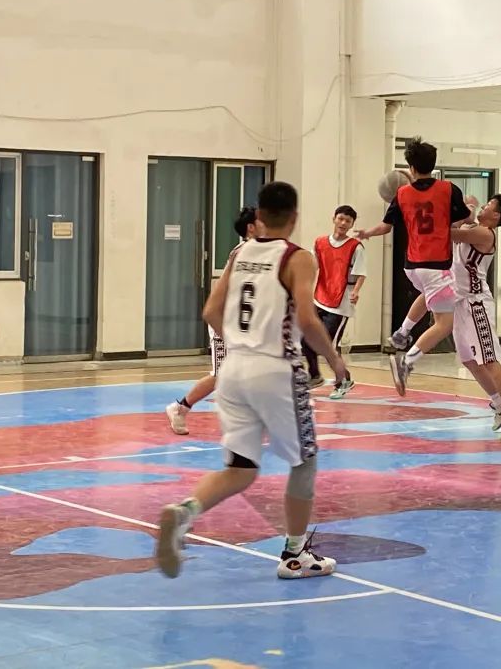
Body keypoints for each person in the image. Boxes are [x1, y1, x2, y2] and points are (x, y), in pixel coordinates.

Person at [156, 182, 350, 579]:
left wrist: (242, 343)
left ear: (258, 216)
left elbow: (211, 311)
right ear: (294, 217)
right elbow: (308, 319)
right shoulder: (298, 257)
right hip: (275, 369)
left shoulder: (240, 253)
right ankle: (295, 555)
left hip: (234, 370)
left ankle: (184, 512)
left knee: (240, 468)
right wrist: (335, 360)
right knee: (304, 462)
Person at [402, 194, 501, 443]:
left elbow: (447, 233)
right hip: (460, 302)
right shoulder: (472, 227)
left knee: (489, 361)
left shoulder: (485, 234)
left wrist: (456, 211)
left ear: (496, 215)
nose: (484, 206)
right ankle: (498, 404)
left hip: (476, 304)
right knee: (470, 361)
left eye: (489, 205)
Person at [356, 137, 470, 396]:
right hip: (436, 264)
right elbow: (463, 218)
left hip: (412, 266)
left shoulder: (402, 194)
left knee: (426, 294)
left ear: (411, 167)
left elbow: (385, 226)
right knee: (444, 324)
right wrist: (467, 213)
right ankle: (407, 362)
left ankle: (402, 332)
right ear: (433, 164)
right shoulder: (448, 189)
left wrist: (366, 233)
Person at [165, 207, 259, 435]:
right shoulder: (242, 253)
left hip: (244, 323)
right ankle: (180, 408)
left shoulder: (263, 253)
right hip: (224, 321)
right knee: (221, 374)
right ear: (251, 228)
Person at [302, 205, 365, 398]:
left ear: (352, 224)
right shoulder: (320, 243)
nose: (343, 223)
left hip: (341, 304)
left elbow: (361, 273)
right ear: (334, 219)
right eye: (341, 219)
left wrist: (356, 291)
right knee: (305, 338)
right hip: (320, 298)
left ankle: (343, 381)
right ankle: (314, 375)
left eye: (348, 221)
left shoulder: (355, 247)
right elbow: (312, 266)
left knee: (328, 346)